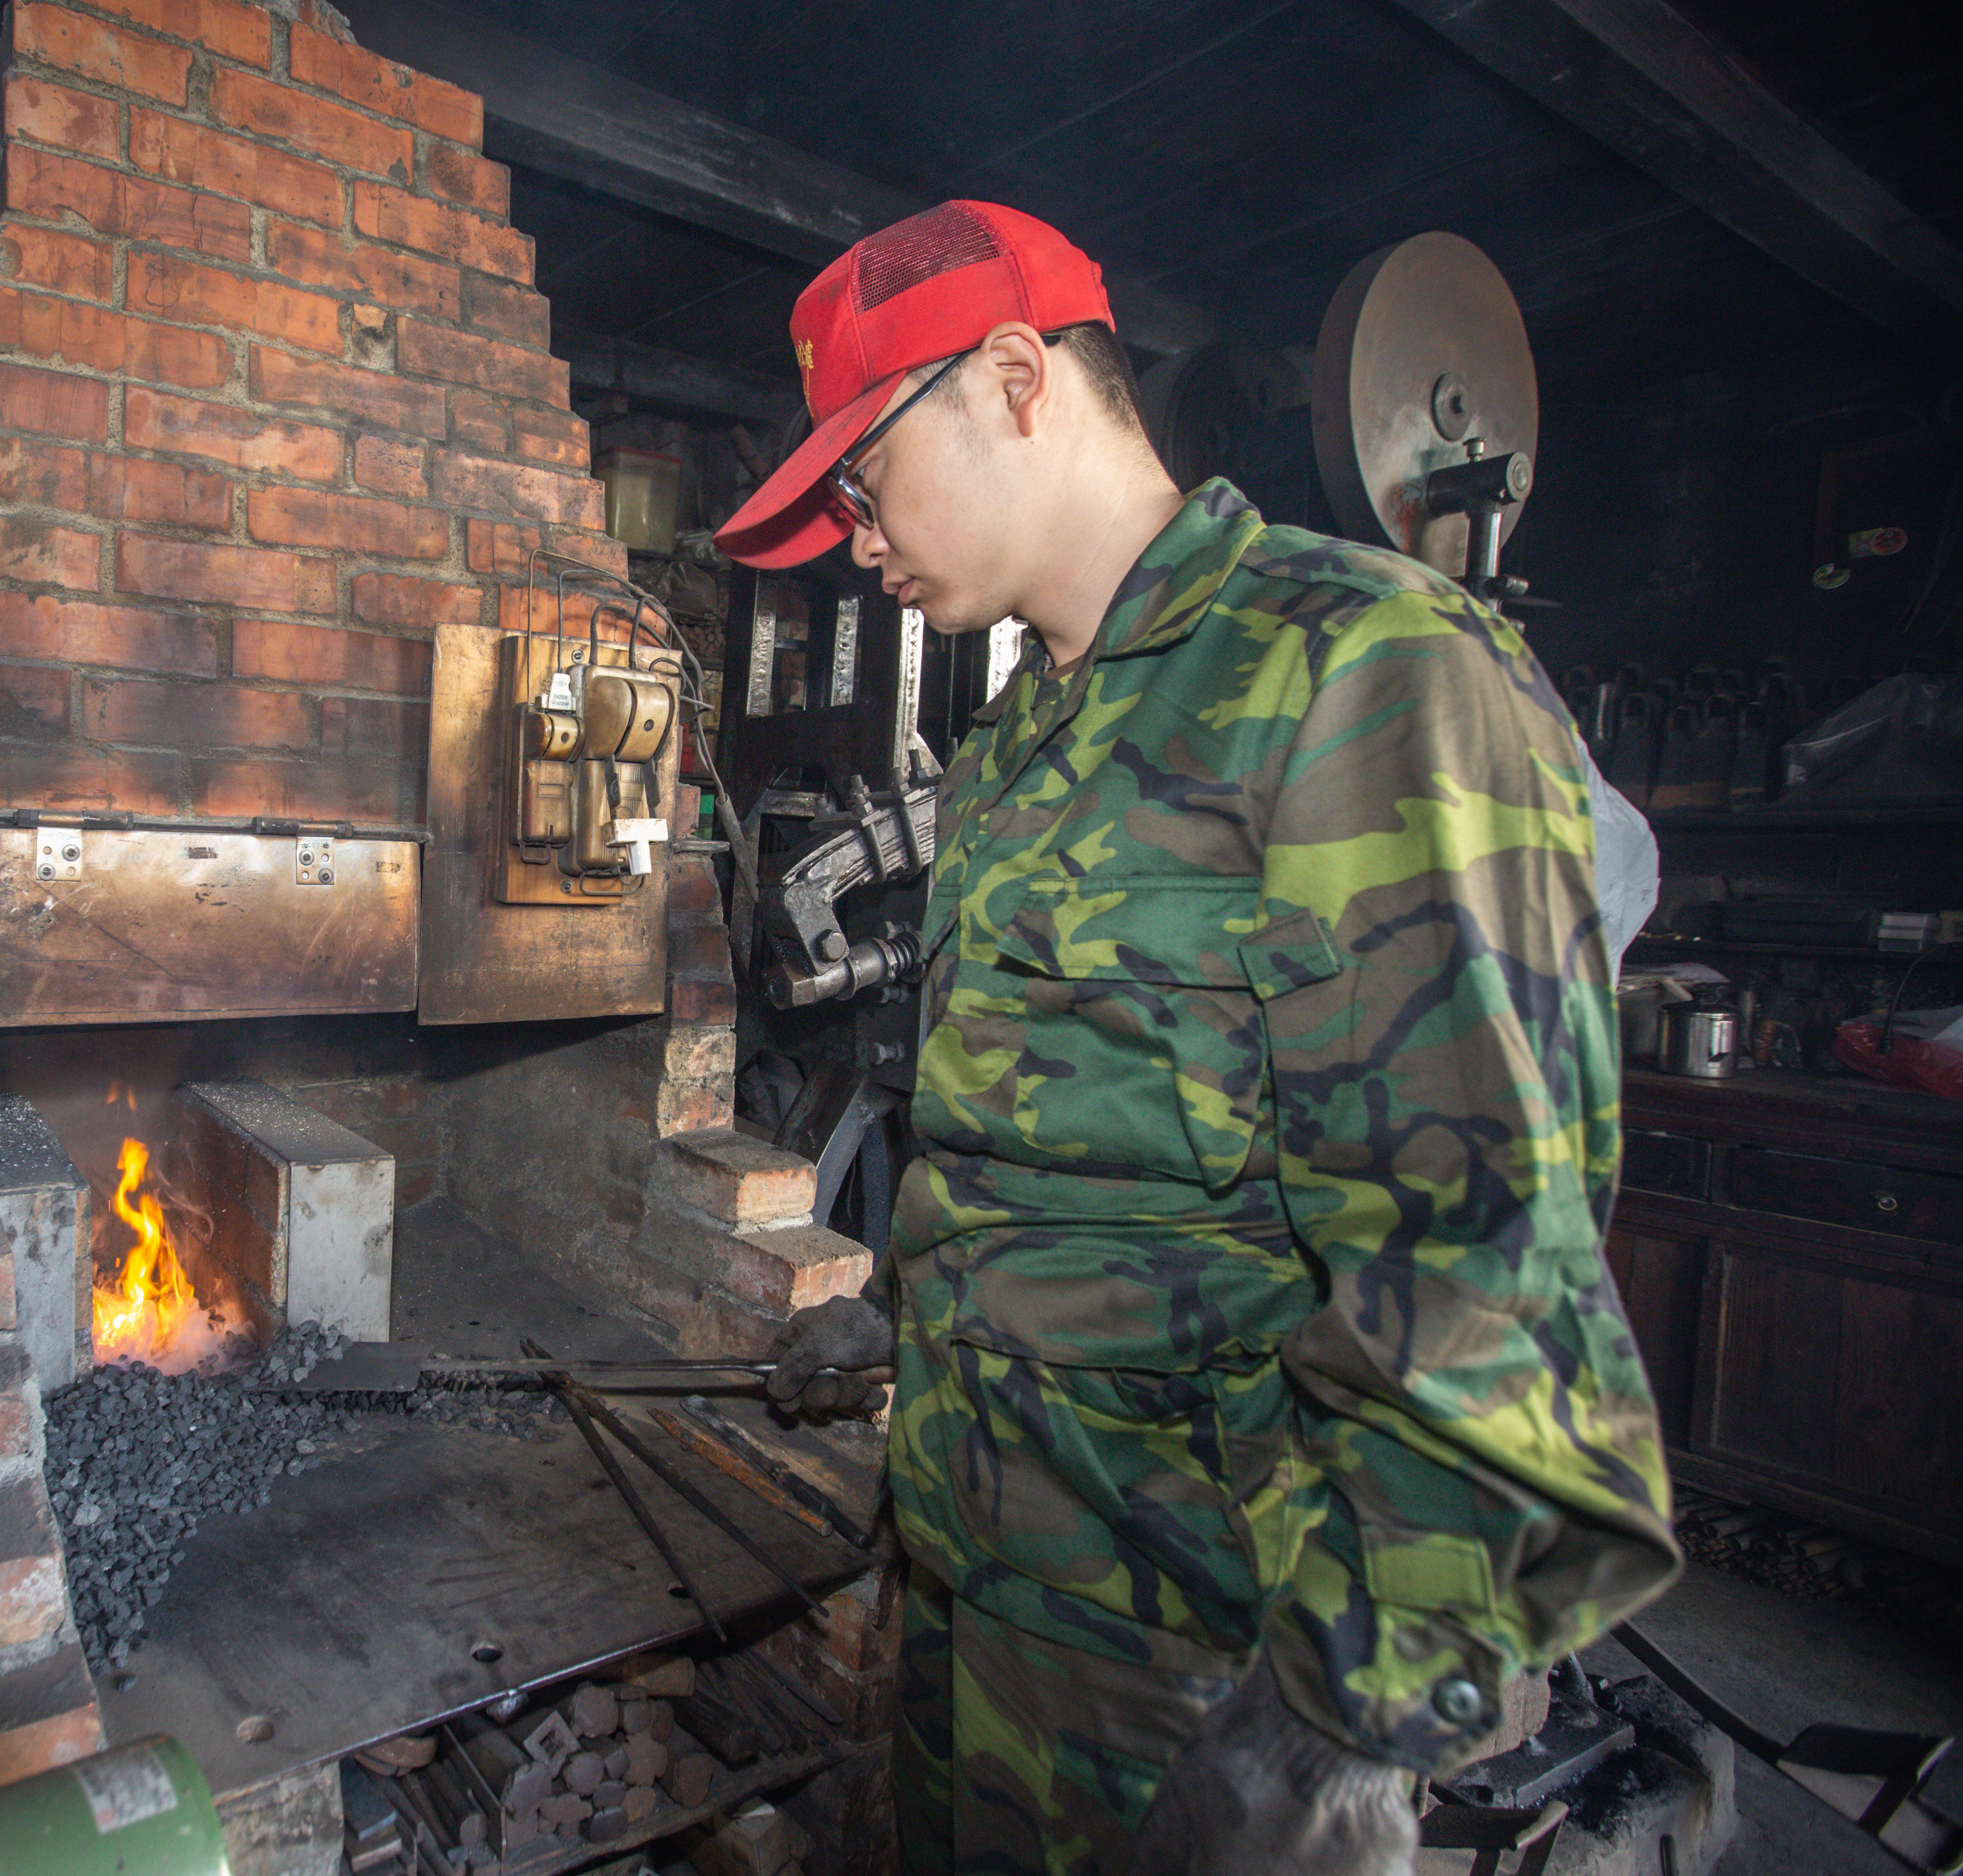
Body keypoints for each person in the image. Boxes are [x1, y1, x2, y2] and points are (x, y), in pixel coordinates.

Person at [716, 201, 1681, 1875]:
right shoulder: (1024, 742)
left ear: (1016, 376)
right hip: (981, 1584)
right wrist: (923, 1326)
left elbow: (1488, 1271)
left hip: (1206, 1680)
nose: (860, 538)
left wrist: (1336, 1733)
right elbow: (1064, 1151)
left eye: (864, 482)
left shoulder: (1364, 676)